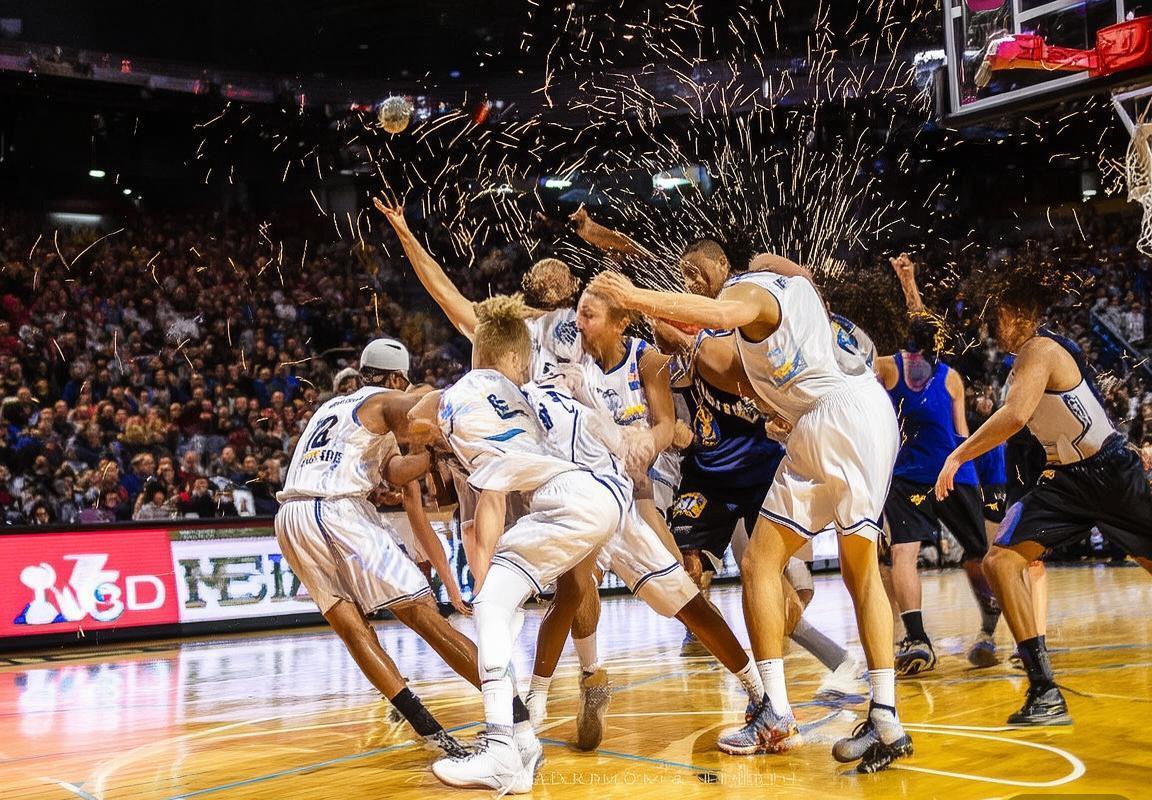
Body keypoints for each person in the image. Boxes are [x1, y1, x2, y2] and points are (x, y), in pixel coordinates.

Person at [590, 244, 911, 772]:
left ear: (734, 268)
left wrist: (634, 296)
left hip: (836, 421)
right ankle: (879, 716)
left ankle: (783, 713)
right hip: (842, 420)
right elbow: (736, 370)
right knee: (798, 565)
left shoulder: (754, 288)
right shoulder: (802, 304)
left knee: (801, 567)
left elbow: (719, 316)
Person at [375, 197, 609, 745]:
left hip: (566, 458)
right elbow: (443, 292)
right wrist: (407, 234)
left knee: (574, 584)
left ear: (568, 287)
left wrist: (600, 237)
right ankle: (532, 697)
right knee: (512, 583)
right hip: (517, 453)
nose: (552, 276)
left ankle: (580, 677)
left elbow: (628, 299)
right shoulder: (505, 327)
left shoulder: (580, 321)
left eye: (561, 272)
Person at [935, 255, 1152, 725]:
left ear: (1017, 312)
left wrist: (957, 456)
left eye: (997, 315)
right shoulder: (1033, 356)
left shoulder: (1041, 348)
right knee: (1000, 561)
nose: (993, 327)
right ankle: (1045, 691)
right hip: (1066, 482)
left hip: (1109, 474)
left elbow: (1015, 416)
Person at [273, 337, 508, 760]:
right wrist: (448, 427)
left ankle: (427, 729)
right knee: (422, 612)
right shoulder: (383, 400)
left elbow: (396, 471)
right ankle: (511, 710)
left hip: (291, 518)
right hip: (336, 509)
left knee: (353, 628)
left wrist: (428, 458)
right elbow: (417, 410)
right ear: (397, 378)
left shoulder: (332, 409)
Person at [878, 255, 1001, 674]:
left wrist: (908, 283)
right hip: (929, 474)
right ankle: (942, 636)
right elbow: (962, 434)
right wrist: (908, 283)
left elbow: (964, 434)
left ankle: (956, 634)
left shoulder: (922, 374)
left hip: (935, 473)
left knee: (958, 555)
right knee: (923, 553)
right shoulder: (920, 373)